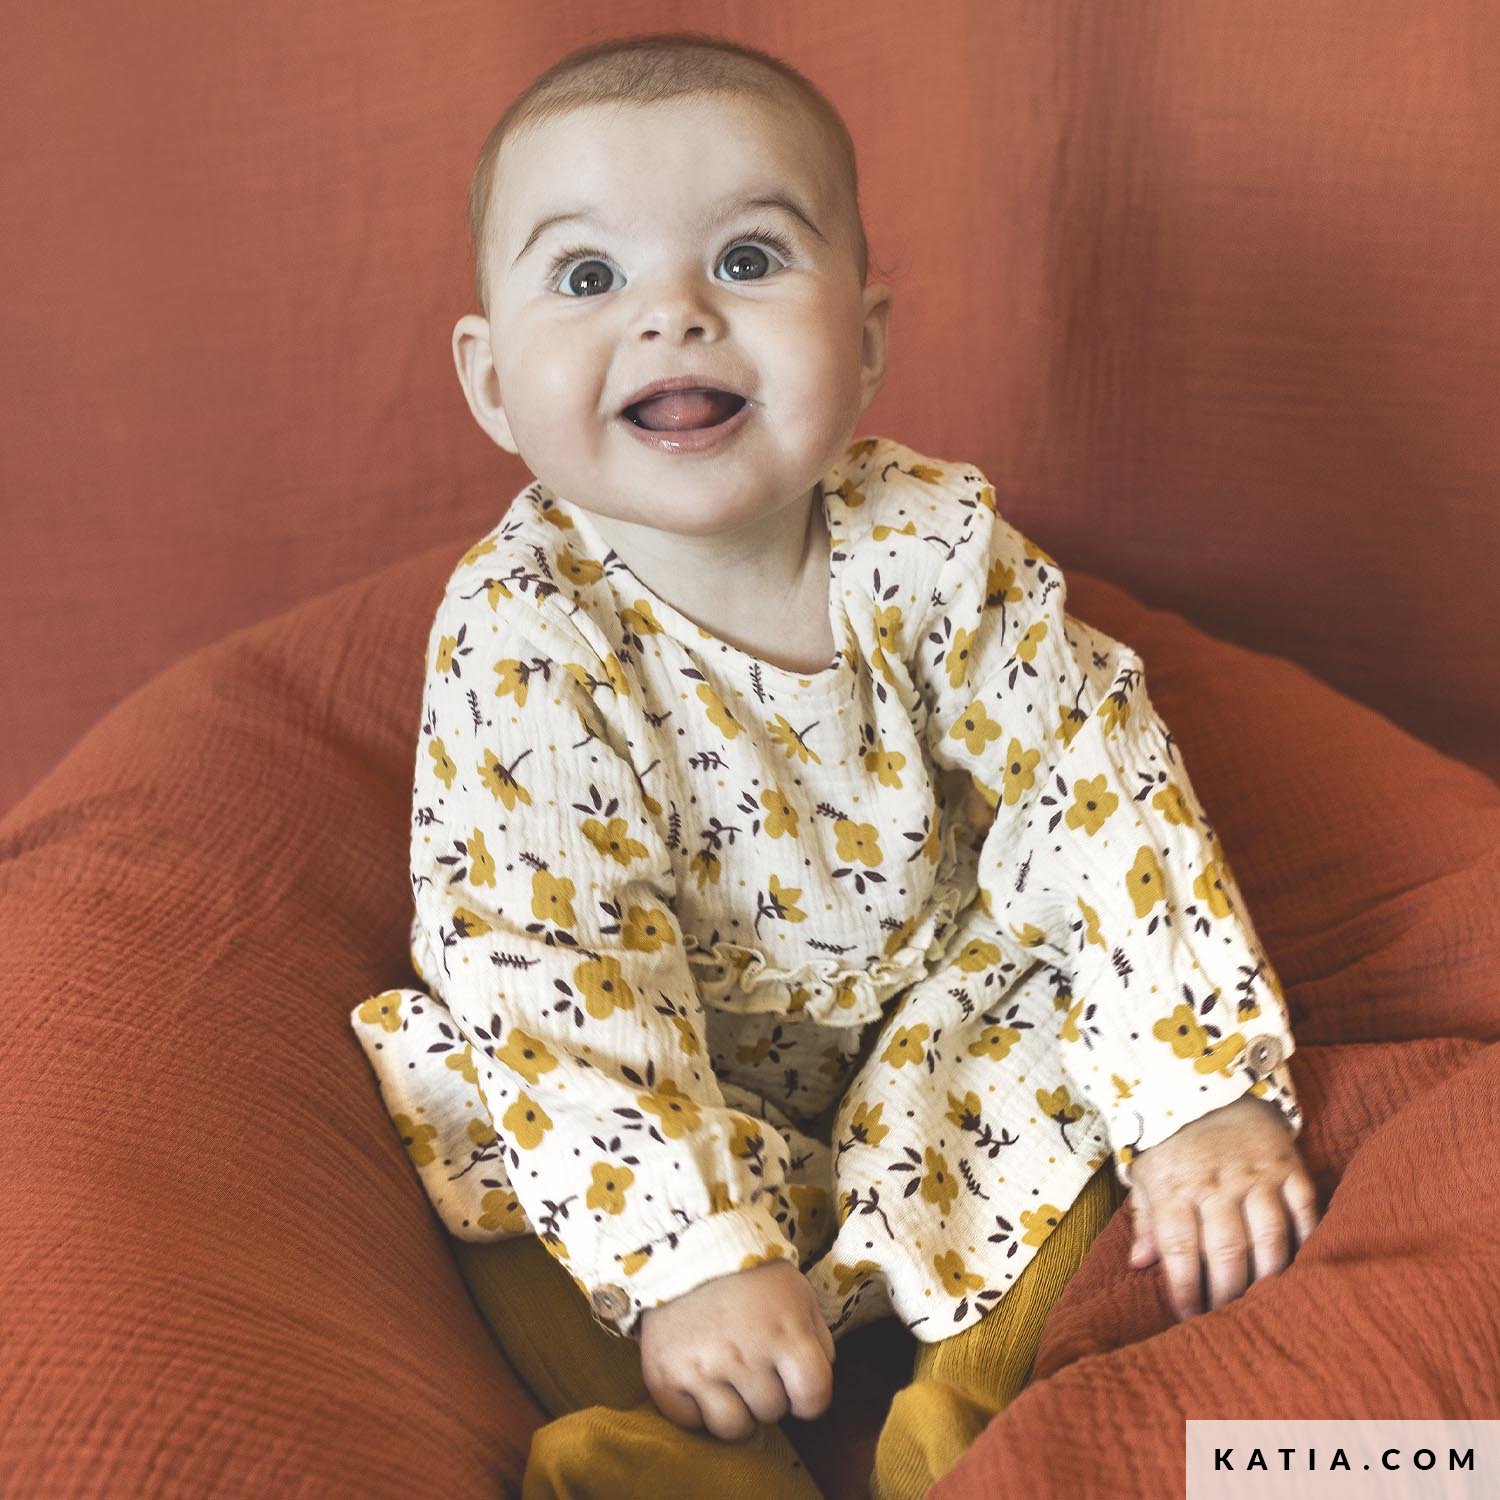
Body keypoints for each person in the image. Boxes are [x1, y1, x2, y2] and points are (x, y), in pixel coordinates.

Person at [349, 30, 1320, 1499]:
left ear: (864, 341)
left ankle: (974, 1416)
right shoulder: (524, 635)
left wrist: (1199, 1095)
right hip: (661, 1071)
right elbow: (549, 959)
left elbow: (1093, 789)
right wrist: (689, 1256)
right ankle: (688, 1454)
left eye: (746, 259)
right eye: (590, 276)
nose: (673, 315)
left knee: (1059, 1037)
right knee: (484, 1122)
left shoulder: (930, 547)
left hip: (925, 1034)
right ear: (491, 383)